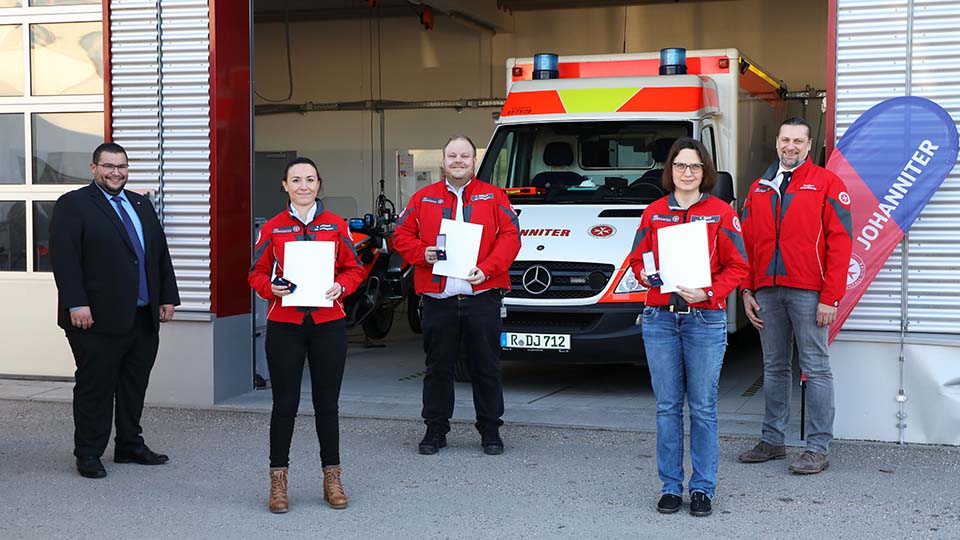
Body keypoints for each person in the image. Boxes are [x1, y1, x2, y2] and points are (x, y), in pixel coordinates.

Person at [629, 138, 748, 517]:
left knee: (703, 408)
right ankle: (669, 486)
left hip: (704, 319)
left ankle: (702, 489)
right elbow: (636, 259)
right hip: (660, 319)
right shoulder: (653, 213)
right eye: (680, 166)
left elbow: (739, 266)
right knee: (666, 408)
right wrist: (649, 277)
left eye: (694, 167)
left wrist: (708, 292)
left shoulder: (721, 213)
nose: (687, 173)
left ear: (705, 172)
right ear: (670, 170)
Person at [49, 142, 180, 479]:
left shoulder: (140, 203)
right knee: (96, 386)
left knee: (134, 383)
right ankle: (89, 453)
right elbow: (65, 259)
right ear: (94, 168)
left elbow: (158, 254)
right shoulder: (74, 204)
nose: (116, 172)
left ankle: (129, 445)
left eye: (121, 166)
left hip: (142, 315)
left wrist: (167, 297)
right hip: (94, 318)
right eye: (108, 166)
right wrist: (76, 302)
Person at [248, 157, 365, 513]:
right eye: (296, 179)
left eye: (310, 179)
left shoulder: (335, 224)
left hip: (328, 324)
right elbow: (255, 274)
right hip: (285, 325)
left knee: (327, 405)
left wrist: (340, 285)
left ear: (319, 184)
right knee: (284, 405)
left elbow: (354, 269)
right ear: (284, 185)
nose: (303, 185)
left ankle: (332, 478)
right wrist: (271, 288)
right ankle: (278, 482)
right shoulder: (272, 228)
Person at [737, 117, 852, 474]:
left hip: (809, 292)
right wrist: (746, 289)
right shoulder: (759, 187)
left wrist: (830, 297)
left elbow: (841, 242)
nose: (791, 146)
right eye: (785, 139)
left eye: (798, 141)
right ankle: (773, 441)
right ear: (776, 142)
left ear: (808, 144)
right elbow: (748, 245)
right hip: (767, 293)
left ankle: (818, 448)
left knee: (815, 369)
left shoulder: (827, 183)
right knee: (773, 368)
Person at [393, 135, 520, 456]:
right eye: (452, 156)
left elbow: (511, 235)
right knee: (438, 367)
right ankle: (436, 430)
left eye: (465, 156)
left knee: (486, 367)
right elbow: (401, 235)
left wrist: (489, 268)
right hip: (439, 300)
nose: (458, 161)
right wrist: (424, 253)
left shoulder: (495, 196)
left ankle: (491, 430)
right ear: (443, 161)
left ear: (474, 162)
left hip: (483, 296)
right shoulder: (423, 198)